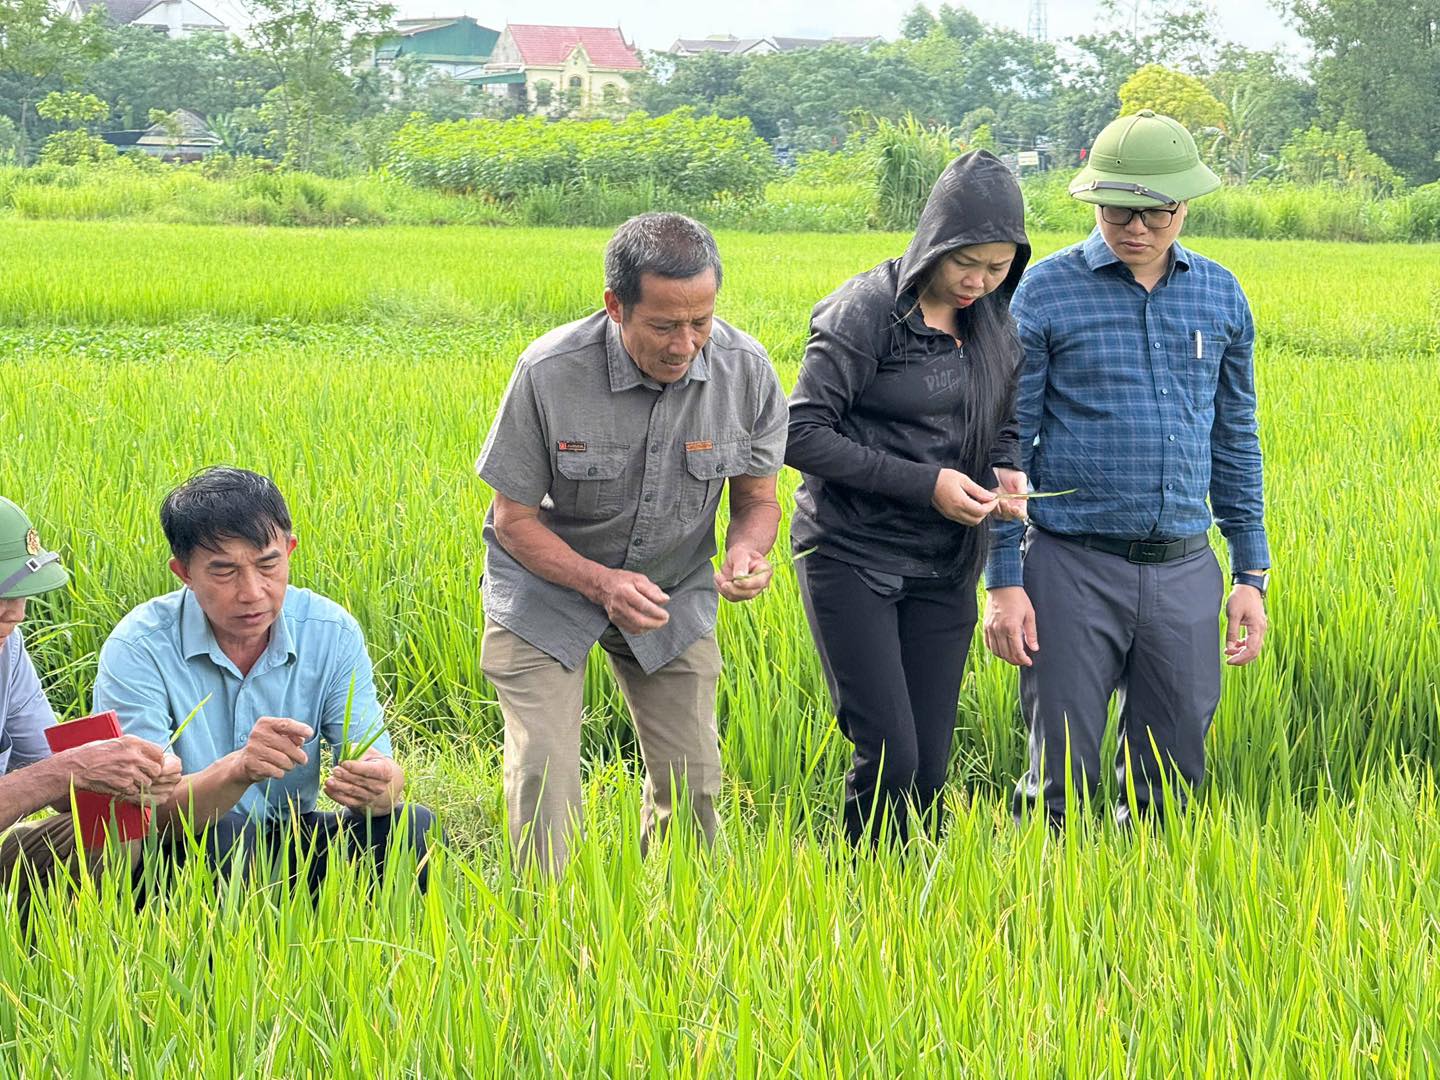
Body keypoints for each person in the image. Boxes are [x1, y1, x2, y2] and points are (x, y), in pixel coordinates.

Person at [982, 110, 1271, 826]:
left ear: (1185, 205)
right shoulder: (1045, 291)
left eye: (1155, 211)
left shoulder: (1220, 293)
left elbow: (1235, 439)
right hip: (1071, 564)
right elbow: (1004, 446)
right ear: (1095, 203)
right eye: (1118, 210)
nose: (1136, 227)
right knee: (1060, 783)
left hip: (1183, 569)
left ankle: (1153, 925)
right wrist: (1004, 582)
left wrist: (1250, 575)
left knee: (1172, 782)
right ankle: (1045, 922)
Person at [478, 211, 788, 871]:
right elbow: (514, 521)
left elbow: (758, 500)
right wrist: (601, 583)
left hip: (671, 585)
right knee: (546, 779)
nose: (686, 345)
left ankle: (678, 944)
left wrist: (747, 553)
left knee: (696, 783)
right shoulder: (550, 371)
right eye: (664, 325)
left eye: (701, 322)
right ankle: (548, 939)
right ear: (615, 306)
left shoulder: (746, 370)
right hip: (547, 588)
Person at [786, 150, 1032, 846]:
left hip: (944, 565)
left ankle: (914, 908)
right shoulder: (866, 312)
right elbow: (798, 432)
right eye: (968, 263)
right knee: (889, 755)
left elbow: (1004, 417)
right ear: (937, 241)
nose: (979, 282)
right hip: (851, 554)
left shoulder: (992, 322)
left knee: (928, 769)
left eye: (997, 268)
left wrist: (1005, 470)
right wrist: (927, 484)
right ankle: (860, 895)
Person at [93, 467, 435, 888]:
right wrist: (238, 770)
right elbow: (138, 813)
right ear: (183, 572)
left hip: (290, 835)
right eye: (224, 571)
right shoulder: (139, 646)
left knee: (409, 826)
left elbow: (379, 763)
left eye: (268, 564)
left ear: (289, 550)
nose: (253, 591)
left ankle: (371, 947)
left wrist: (377, 788)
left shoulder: (330, 630)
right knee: (224, 835)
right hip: (189, 842)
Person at [0, 496, 181, 915]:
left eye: (22, 594)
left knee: (109, 830)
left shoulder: (7, 651)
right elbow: (56, 773)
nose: (16, 612)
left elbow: (61, 787)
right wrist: (69, 770)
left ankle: (64, 966)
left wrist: (128, 775)